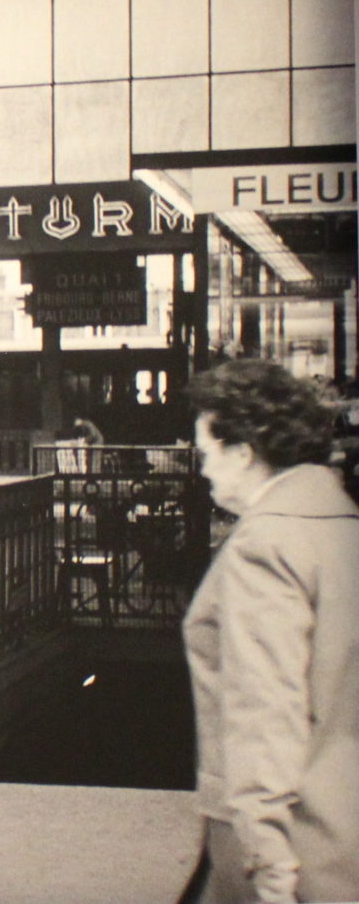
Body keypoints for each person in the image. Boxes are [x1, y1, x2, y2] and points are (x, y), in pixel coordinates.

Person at [179, 359, 358, 904]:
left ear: (242, 453)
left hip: (292, 847)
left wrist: (267, 864)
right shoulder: (343, 527)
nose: (204, 471)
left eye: (205, 454)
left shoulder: (264, 546)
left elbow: (264, 709)